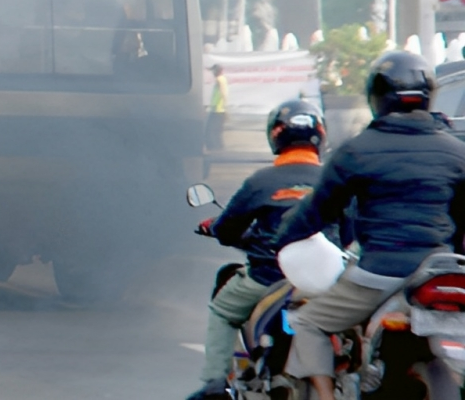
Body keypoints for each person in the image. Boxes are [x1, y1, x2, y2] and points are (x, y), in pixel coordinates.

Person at [274, 51, 465, 400]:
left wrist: (281, 238)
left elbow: (316, 211)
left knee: (308, 322)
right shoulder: (456, 151)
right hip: (438, 275)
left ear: (377, 96)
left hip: (378, 274)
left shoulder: (356, 151)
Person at [186, 99, 327, 400]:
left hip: (267, 279)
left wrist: (214, 227)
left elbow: (227, 229)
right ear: (320, 136)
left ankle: (214, 384)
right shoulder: (334, 180)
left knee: (223, 312)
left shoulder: (261, 182)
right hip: (327, 281)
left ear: (275, 136)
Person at [205, 65, 228, 151]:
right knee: (216, 131)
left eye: (213, 71)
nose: (212, 73)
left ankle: (215, 149)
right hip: (217, 108)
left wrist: (224, 106)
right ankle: (218, 148)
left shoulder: (220, 80)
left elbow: (223, 93)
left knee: (211, 131)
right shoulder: (222, 79)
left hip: (217, 109)